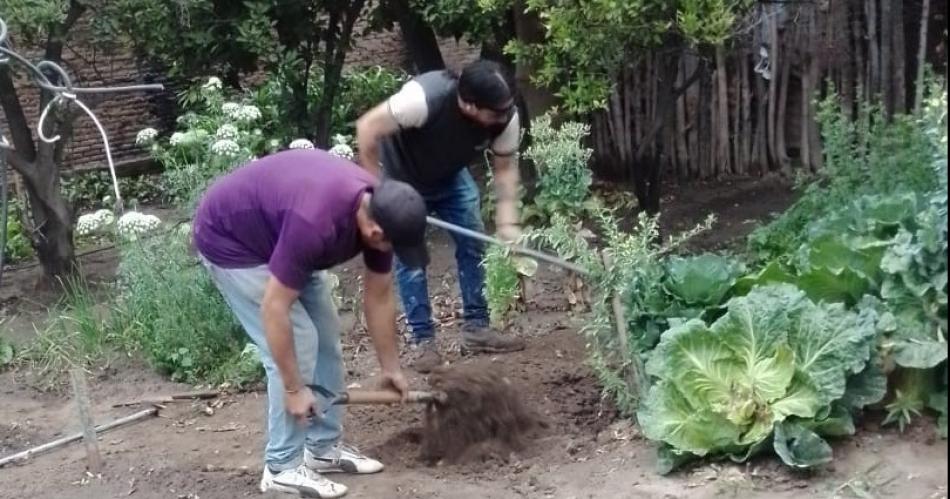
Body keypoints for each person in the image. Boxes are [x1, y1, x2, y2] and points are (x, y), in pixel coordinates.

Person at [192, 148, 429, 498]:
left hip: (280, 235)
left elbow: (378, 297)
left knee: (326, 334)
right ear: (376, 231)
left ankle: (322, 449)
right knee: (300, 339)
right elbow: (274, 309)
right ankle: (281, 467)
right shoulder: (317, 221)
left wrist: (390, 366)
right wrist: (294, 389)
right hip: (231, 240)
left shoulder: (381, 209)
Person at [356, 59, 526, 373]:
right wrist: (375, 195)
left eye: (507, 109)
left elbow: (504, 170)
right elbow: (367, 127)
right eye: (497, 112)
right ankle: (424, 342)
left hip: (448, 176)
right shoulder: (421, 100)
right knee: (412, 260)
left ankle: (476, 328)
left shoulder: (504, 117)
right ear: (470, 105)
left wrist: (507, 223)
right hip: (402, 178)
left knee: (473, 240)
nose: (504, 117)